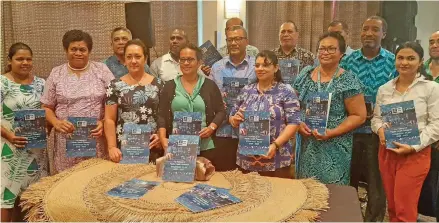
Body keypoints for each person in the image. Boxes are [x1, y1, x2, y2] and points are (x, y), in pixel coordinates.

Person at [371, 41, 439, 222]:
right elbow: (376, 118)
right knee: (392, 207)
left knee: (405, 209)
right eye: (400, 58)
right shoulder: (384, 89)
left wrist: (414, 146)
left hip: (414, 155)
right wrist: (380, 131)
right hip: (387, 152)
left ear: (421, 61)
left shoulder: (431, 88)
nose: (404, 62)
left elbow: (436, 125)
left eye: (411, 58)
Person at [340, 15, 395, 221]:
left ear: (384, 34)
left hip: (378, 133)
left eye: (374, 29)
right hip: (350, 131)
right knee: (348, 180)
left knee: (376, 182)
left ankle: (373, 220)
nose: (369, 33)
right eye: (365, 29)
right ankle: (348, 217)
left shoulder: (392, 61)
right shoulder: (348, 61)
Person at [294, 32, 366, 185]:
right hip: (308, 142)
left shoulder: (348, 80)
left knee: (334, 195)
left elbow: (359, 115)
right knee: (307, 189)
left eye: (331, 49)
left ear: (341, 53)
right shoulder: (305, 74)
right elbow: (292, 106)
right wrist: (298, 123)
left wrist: (332, 132)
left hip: (336, 145)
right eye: (322, 49)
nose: (325, 52)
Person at [41, 30, 114, 175]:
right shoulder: (56, 73)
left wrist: (103, 121)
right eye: (73, 49)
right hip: (66, 140)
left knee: (95, 180)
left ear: (89, 51)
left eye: (82, 49)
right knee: (67, 182)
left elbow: (113, 101)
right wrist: (56, 123)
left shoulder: (102, 70)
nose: (78, 53)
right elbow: (46, 107)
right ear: (66, 50)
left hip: (96, 138)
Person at [229, 50, 300, 178]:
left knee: (279, 196)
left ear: (276, 68)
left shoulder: (286, 91)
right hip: (246, 159)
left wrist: (275, 145)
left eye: (265, 65)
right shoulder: (246, 90)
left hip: (277, 158)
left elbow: (294, 122)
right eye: (257, 65)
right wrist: (234, 119)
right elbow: (232, 116)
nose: (260, 68)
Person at [1, 43, 48, 222]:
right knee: (6, 198)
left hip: (36, 154)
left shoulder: (41, 84)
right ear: (10, 61)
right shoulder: (2, 83)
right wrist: (10, 136)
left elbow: (47, 112)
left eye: (28, 59)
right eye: (19, 59)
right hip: (8, 150)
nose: (25, 62)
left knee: (31, 198)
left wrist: (47, 128)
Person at [158, 43, 225, 165]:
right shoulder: (169, 86)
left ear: (199, 62)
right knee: (178, 182)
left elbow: (221, 111)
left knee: (204, 181)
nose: (186, 63)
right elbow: (161, 115)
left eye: (190, 59)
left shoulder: (210, 86)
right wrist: (163, 139)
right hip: (177, 146)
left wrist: (211, 128)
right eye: (183, 59)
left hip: (205, 146)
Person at [104, 39, 162, 163]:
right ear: (124, 60)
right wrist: (112, 147)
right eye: (129, 57)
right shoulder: (114, 86)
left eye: (137, 56)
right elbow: (109, 119)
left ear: (145, 59)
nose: (133, 61)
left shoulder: (159, 84)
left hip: (153, 146)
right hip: (124, 150)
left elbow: (164, 116)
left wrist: (161, 137)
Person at [210, 25, 256, 171]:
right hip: (223, 131)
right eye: (230, 40)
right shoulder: (217, 67)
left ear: (246, 41)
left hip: (251, 131)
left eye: (238, 39)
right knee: (224, 178)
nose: (234, 43)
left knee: (250, 180)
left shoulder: (257, 66)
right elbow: (212, 99)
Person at [418, 30, 439, 222]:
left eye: (438, 42)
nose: (434, 45)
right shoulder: (420, 70)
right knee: (424, 185)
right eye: (431, 42)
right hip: (421, 138)